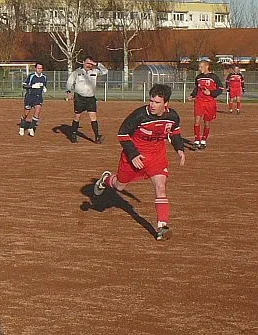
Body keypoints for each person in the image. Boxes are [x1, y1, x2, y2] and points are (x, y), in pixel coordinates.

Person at [93, 84, 185, 241]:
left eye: (156, 102)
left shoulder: (173, 116)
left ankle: (162, 226)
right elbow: (122, 134)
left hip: (157, 156)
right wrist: (134, 155)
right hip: (134, 157)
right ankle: (106, 180)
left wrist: (180, 150)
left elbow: (175, 133)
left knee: (160, 187)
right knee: (120, 186)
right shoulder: (139, 115)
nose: (152, 105)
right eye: (151, 101)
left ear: (166, 104)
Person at [65, 56, 108, 144]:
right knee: (77, 116)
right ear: (83, 62)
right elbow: (69, 82)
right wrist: (69, 92)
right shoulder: (77, 72)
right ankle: (73, 135)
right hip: (79, 98)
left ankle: (97, 137)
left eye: (90, 63)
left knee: (93, 117)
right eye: (87, 62)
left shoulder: (95, 71)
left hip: (91, 98)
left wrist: (96, 64)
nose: (89, 65)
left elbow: (105, 71)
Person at [188, 60, 223, 150]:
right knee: (197, 120)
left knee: (207, 123)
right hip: (199, 101)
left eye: (201, 67)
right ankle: (196, 140)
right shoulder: (198, 77)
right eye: (199, 67)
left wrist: (211, 93)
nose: (200, 69)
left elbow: (220, 88)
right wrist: (192, 95)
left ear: (207, 66)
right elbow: (196, 88)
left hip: (209, 102)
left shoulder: (213, 77)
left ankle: (203, 140)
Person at [19, 63, 47, 137]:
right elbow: (24, 85)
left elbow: (44, 85)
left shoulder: (44, 77)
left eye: (41, 68)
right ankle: (22, 127)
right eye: (38, 68)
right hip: (29, 97)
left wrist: (44, 88)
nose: (39, 70)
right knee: (26, 114)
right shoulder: (31, 76)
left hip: (38, 97)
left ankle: (31, 128)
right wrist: (32, 86)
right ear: (35, 69)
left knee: (37, 111)